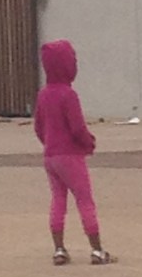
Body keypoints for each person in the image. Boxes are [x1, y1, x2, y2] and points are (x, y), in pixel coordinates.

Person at [34, 40, 116, 265]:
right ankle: (97, 250)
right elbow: (77, 127)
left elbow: (39, 127)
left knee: (58, 200)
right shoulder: (68, 95)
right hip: (70, 155)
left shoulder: (43, 95)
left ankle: (59, 248)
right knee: (84, 200)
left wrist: (48, 143)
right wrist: (88, 143)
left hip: (50, 155)